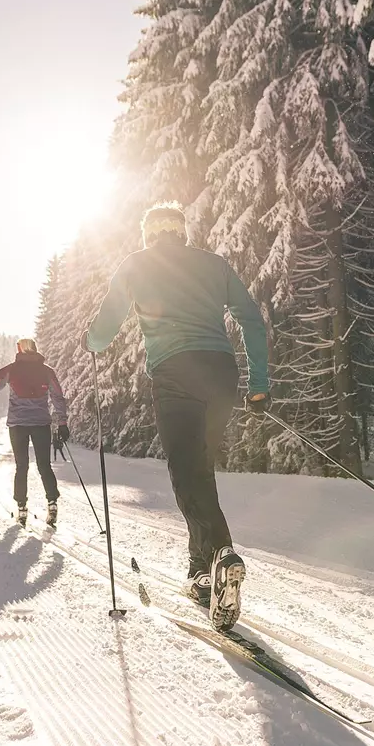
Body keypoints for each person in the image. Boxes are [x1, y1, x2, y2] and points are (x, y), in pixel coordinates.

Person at [85, 202, 269, 631]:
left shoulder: (136, 265)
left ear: (150, 235)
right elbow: (252, 321)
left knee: (186, 472)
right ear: (182, 232)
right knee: (199, 470)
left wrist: (91, 341)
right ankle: (199, 572)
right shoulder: (214, 265)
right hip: (221, 374)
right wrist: (259, 385)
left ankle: (222, 553)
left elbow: (106, 325)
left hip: (174, 374)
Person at [0, 339, 70, 527]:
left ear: (20, 350)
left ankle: (21, 508)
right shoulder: (47, 371)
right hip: (41, 424)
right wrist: (62, 422)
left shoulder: (11, 369)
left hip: (18, 424)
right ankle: (52, 504)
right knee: (44, 465)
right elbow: (57, 396)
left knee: (21, 466)